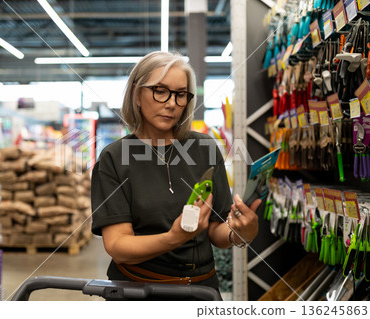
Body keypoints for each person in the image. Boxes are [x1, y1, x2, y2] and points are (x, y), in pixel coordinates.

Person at [91, 51, 260, 299]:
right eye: (160, 91)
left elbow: (216, 232)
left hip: (202, 291)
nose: (171, 103)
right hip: (137, 293)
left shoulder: (205, 148)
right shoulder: (114, 158)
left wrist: (240, 233)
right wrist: (174, 238)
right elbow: (118, 247)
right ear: (137, 94)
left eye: (181, 94)